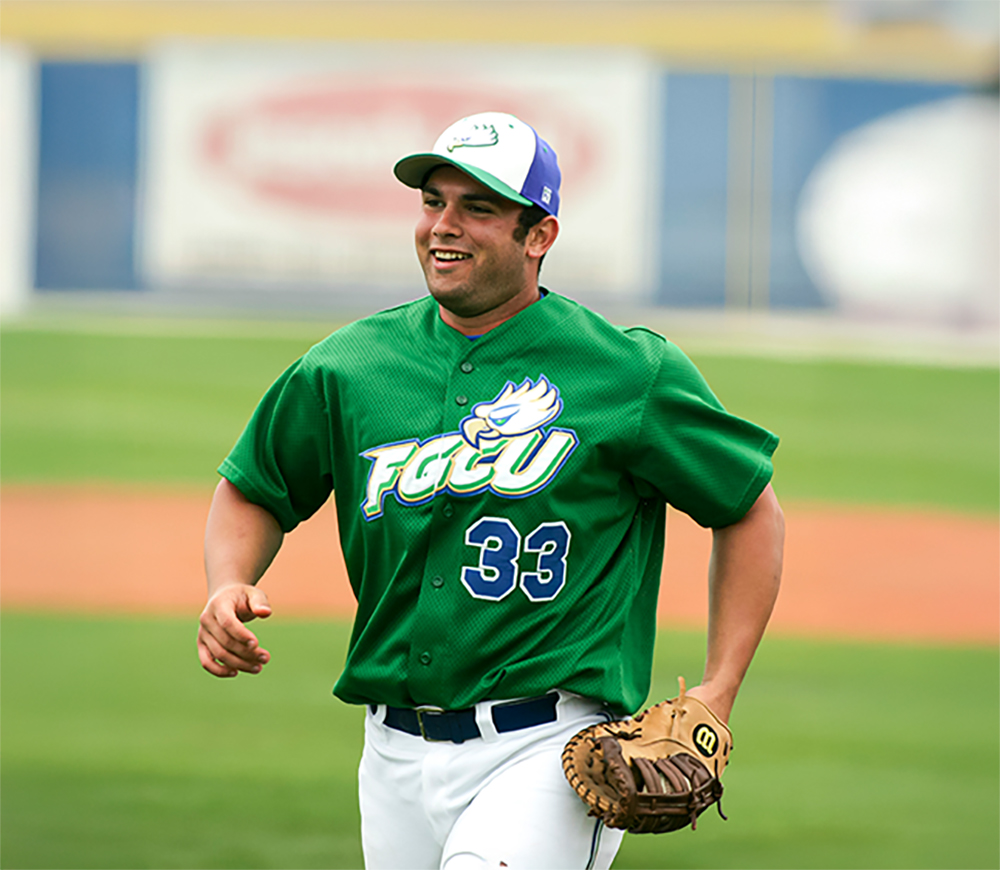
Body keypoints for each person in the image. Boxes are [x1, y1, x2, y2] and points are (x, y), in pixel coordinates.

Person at [197, 111, 784, 869]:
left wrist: (719, 687)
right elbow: (255, 487)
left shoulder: (627, 373)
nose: (444, 226)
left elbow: (747, 505)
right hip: (392, 756)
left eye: (478, 208)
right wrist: (227, 583)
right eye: (434, 201)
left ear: (538, 235)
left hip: (550, 746)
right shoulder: (349, 366)